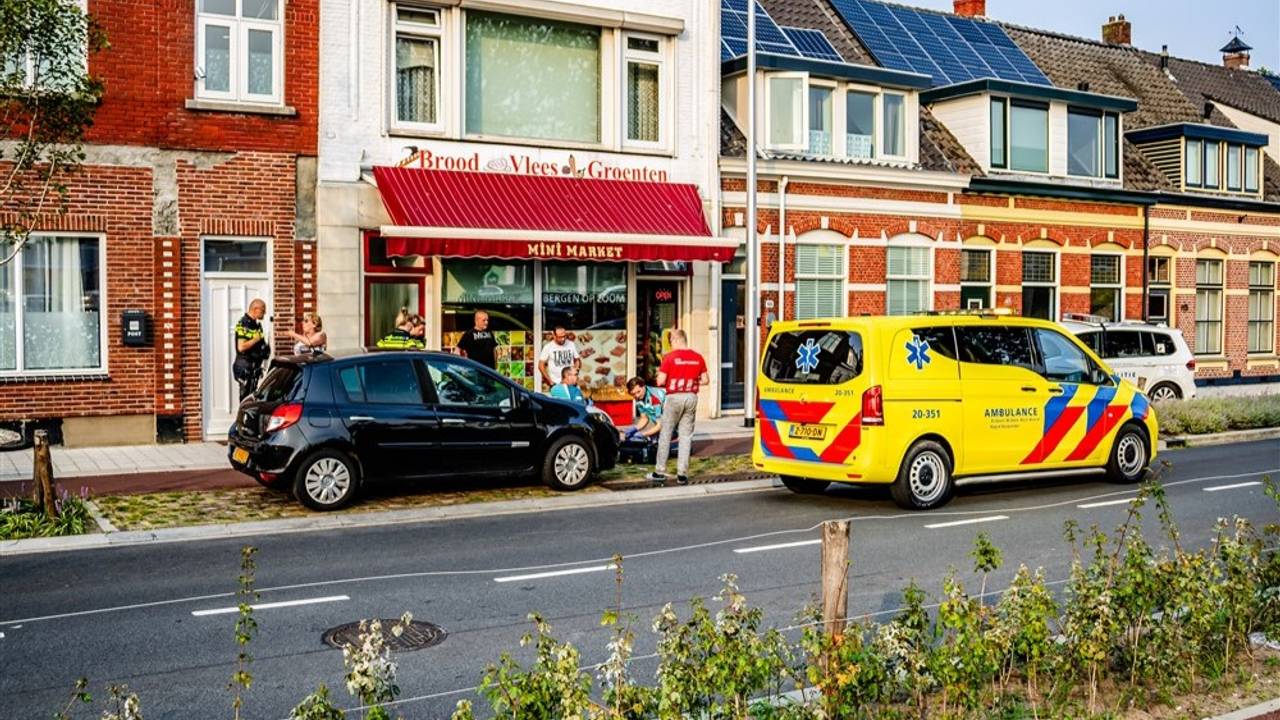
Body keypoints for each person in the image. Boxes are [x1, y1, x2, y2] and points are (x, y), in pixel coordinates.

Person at [648, 328, 709, 485]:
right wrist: (692, 380)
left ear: (676, 340)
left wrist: (666, 378)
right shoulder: (698, 358)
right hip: (691, 397)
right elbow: (705, 379)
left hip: (674, 398)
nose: (670, 345)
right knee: (685, 436)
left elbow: (660, 381)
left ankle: (659, 471)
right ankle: (682, 474)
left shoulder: (669, 358)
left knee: (666, 434)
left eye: (671, 342)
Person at [233, 298, 270, 402]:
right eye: (263, 310)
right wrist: (255, 339)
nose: (265, 313)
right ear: (255, 309)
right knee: (246, 399)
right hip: (245, 366)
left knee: (252, 398)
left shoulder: (255, 324)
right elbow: (241, 347)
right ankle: (242, 418)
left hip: (253, 367)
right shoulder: (244, 323)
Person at [623, 376, 665, 441]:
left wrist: (643, 434)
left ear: (643, 386)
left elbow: (660, 425)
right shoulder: (639, 397)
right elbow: (644, 418)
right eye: (633, 394)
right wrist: (634, 428)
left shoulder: (654, 398)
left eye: (638, 392)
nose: (636, 395)